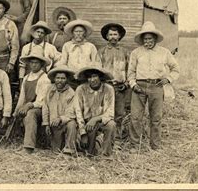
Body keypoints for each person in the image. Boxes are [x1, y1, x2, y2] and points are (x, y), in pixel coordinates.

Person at [128, 21, 180, 151]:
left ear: (155, 39)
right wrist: (133, 85)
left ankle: (155, 146)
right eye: (145, 39)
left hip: (156, 86)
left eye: (150, 39)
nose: (147, 42)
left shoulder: (164, 52)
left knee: (156, 117)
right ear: (141, 40)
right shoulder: (136, 53)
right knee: (135, 117)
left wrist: (168, 79)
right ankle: (135, 146)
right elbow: (131, 72)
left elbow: (175, 68)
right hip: (139, 87)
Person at [74, 65, 116, 157]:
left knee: (111, 125)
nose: (92, 80)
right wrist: (82, 133)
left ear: (100, 77)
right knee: (88, 152)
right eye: (89, 77)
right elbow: (78, 112)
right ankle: (90, 152)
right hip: (86, 123)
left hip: (101, 121)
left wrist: (96, 119)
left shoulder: (109, 89)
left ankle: (106, 154)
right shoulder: (80, 89)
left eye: (94, 76)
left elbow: (110, 112)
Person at [13, 54, 51, 154]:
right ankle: (19, 142)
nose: (33, 65)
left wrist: (28, 106)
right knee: (17, 114)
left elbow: (41, 101)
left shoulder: (45, 79)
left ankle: (29, 147)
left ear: (41, 64)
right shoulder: (26, 77)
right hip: (28, 106)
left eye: (36, 63)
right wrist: (17, 109)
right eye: (31, 62)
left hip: (41, 108)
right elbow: (22, 97)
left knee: (30, 114)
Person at [97, 23, 130, 138]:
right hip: (106, 86)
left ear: (119, 36)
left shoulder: (125, 52)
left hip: (120, 87)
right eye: (110, 34)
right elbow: (98, 70)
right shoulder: (101, 52)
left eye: (115, 34)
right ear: (106, 36)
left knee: (119, 113)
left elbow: (129, 70)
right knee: (104, 111)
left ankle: (117, 137)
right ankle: (103, 137)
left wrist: (126, 84)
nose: (113, 37)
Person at [42, 65, 77, 155]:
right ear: (54, 79)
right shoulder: (50, 90)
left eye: (62, 78)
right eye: (58, 78)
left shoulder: (71, 93)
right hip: (53, 124)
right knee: (55, 151)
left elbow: (71, 113)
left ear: (66, 79)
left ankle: (70, 149)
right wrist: (46, 123)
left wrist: (61, 119)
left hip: (64, 124)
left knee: (72, 124)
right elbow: (45, 107)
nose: (60, 81)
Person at [59, 19, 99, 89]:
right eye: (76, 31)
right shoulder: (67, 45)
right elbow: (63, 62)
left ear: (84, 33)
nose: (78, 34)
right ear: (72, 33)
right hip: (71, 79)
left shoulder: (90, 46)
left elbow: (95, 63)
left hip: (86, 79)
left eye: (80, 31)